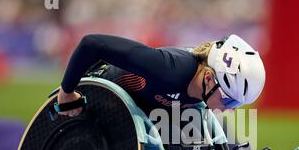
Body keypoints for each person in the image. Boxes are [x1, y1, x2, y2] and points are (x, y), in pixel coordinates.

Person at [57, 34, 266, 117]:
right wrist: (67, 93)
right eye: (229, 100)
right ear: (209, 79)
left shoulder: (202, 90)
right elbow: (92, 44)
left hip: (132, 110)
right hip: (93, 97)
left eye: (236, 105)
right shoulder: (169, 69)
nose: (228, 109)